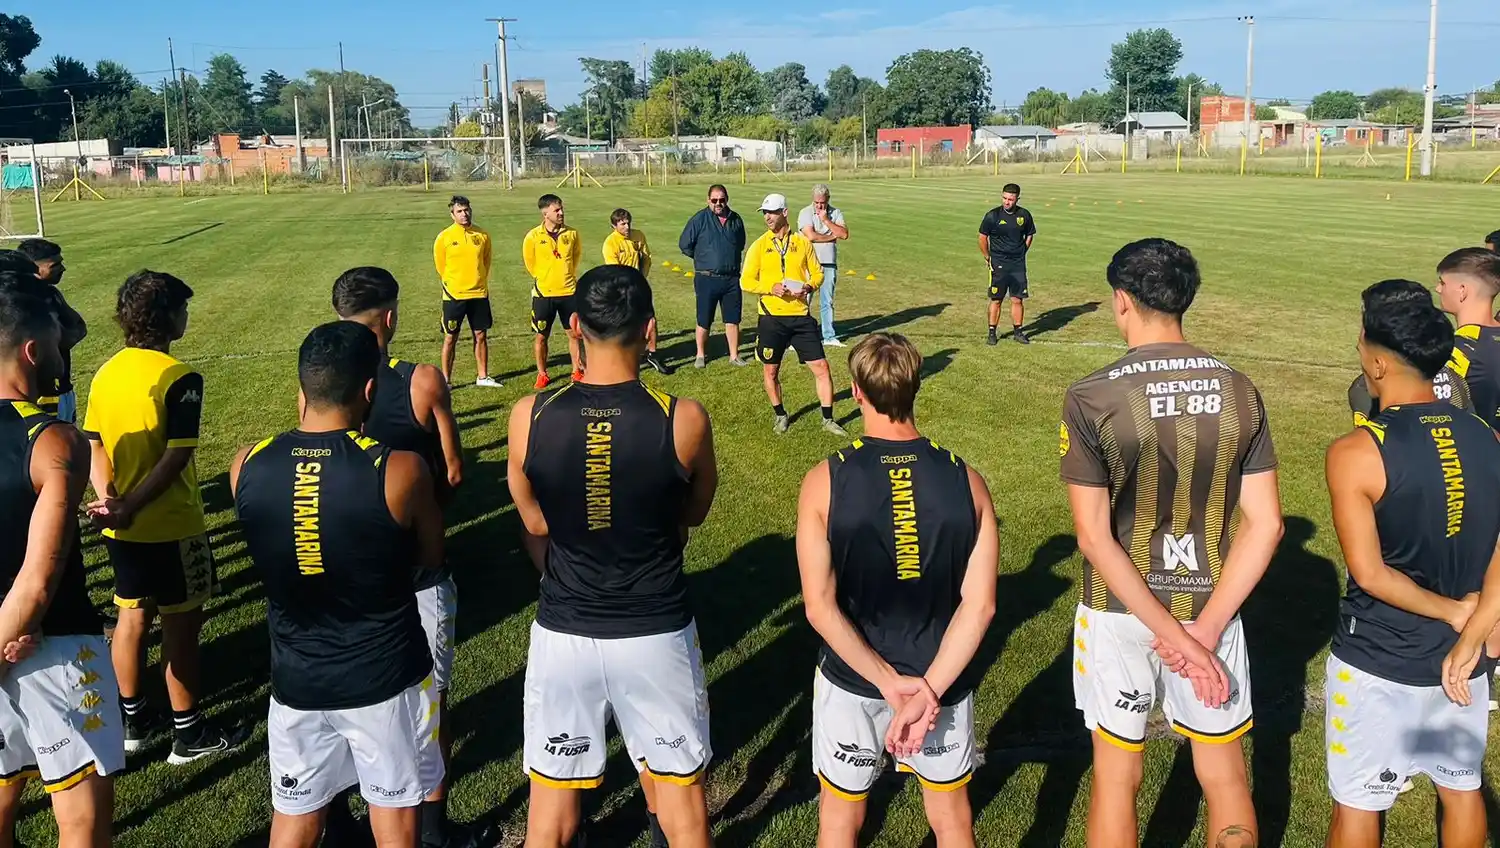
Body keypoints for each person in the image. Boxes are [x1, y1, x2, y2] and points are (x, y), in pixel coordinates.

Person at [1060, 238, 1283, 847]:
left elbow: (1093, 536)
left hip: (1118, 611)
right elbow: (1266, 524)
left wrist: (1173, 634)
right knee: (1225, 775)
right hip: (1212, 609)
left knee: (1115, 775)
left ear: (1122, 301)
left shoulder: (1092, 395)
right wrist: (1202, 632)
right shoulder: (1240, 390)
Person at [506, 265, 718, 848]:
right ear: (651, 331)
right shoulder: (684, 418)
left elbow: (533, 521)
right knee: (683, 812)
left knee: (548, 821)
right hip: (655, 631)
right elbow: (694, 512)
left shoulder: (531, 415)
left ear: (574, 326)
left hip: (564, 633)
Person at [231, 322, 444, 848]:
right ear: (370, 391)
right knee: (394, 818)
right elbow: (431, 558)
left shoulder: (246, 463)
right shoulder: (400, 469)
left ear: (301, 391)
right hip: (383, 675)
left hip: (296, 678)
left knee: (296, 818)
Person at [796, 332, 997, 847]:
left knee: (840, 823)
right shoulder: (967, 480)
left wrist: (890, 684)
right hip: (941, 681)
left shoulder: (825, 479)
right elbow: (980, 605)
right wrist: (927, 689)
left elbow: (819, 608)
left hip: (854, 680)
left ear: (856, 392)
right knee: (952, 821)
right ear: (916, 387)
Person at [1323, 279, 1500, 848]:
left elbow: (1371, 574)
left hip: (1379, 656)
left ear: (1376, 361)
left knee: (1359, 802)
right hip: (1462, 662)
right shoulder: (1487, 435)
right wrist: (1474, 629)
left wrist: (1454, 614)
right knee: (1460, 789)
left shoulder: (1356, 452)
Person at [82, 270, 244, 763]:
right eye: (183, 309)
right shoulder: (179, 379)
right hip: (173, 525)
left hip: (122, 528)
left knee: (131, 617)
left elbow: (94, 444)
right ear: (168, 317)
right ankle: (188, 734)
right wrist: (130, 504)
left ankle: (133, 722)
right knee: (180, 629)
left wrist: (111, 500)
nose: (187, 316)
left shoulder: (106, 372)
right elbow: (176, 456)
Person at [331, 267, 462, 847]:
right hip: (415, 568)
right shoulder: (422, 380)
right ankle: (431, 828)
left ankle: (336, 817)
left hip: (345, 566)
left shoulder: (317, 382)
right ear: (390, 318)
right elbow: (454, 471)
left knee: (343, 698)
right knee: (427, 702)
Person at [0, 276, 122, 847]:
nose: (61, 353)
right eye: (55, 343)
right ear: (31, 351)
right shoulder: (55, 441)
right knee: (82, 824)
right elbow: (38, 581)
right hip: (55, 651)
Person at [741, 193, 846, 437]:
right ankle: (780, 414)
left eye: (773, 212)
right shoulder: (758, 246)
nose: (768, 217)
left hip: (800, 317)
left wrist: (809, 286)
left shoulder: (802, 243)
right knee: (771, 371)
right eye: (765, 213)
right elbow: (745, 281)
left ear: (784, 212)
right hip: (771, 318)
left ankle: (828, 419)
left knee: (821, 367)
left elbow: (818, 273)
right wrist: (770, 288)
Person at [678, 185, 748, 368]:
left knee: (733, 319)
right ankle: (700, 355)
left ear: (727, 199)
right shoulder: (699, 219)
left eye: (722, 200)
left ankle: (734, 355)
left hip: (731, 278)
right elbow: (684, 244)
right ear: (708, 200)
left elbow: (740, 243)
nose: (719, 203)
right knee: (704, 319)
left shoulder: (735, 219)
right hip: (706, 278)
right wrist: (702, 257)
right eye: (715, 200)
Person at [15, 240, 85, 424]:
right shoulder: (20, 301)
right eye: (55, 265)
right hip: (41, 395)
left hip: (63, 389)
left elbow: (80, 325)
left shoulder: (52, 294)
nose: (63, 269)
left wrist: (60, 338)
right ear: (34, 268)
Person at [433, 195, 499, 389]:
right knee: (450, 337)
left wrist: (479, 282)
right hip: (455, 296)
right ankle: (445, 380)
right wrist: (454, 284)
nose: (465, 214)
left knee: (480, 335)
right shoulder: (444, 237)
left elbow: (486, 262)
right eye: (460, 211)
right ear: (452, 214)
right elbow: (441, 266)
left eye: (467, 210)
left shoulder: (482, 235)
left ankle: (483, 376)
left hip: (478, 294)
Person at [522, 193, 584, 389]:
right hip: (544, 295)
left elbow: (574, 259)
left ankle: (577, 371)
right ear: (545, 213)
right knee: (541, 336)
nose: (561, 213)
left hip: (569, 293)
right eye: (557, 210)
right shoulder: (533, 236)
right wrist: (545, 278)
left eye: (561, 209)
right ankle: (542, 374)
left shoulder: (572, 234)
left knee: (574, 334)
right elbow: (530, 263)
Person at [603, 208, 671, 375]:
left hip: (639, 286)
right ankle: (624, 357)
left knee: (651, 321)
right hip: (621, 291)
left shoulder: (638, 235)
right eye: (622, 224)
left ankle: (653, 354)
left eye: (628, 223)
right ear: (614, 226)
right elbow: (615, 271)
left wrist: (642, 278)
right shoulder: (610, 244)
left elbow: (647, 259)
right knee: (624, 325)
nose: (627, 227)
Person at [1437, 247, 1500, 428]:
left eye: (1443, 283)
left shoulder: (1457, 349)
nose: (1438, 288)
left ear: (1462, 291)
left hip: (1476, 452)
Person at [977, 183, 1037, 346]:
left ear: (1017, 198)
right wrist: (988, 257)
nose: (1007, 202)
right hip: (998, 263)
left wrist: (1023, 250)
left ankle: (1018, 332)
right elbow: (982, 237)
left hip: (1017, 264)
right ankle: (992, 332)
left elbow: (1030, 234)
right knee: (996, 299)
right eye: (1004, 198)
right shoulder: (992, 216)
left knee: (1017, 299)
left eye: (1010, 199)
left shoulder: (1024, 215)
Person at [797, 185, 850, 347]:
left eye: (822, 202)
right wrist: (830, 236)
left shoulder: (835, 213)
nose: (819, 206)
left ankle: (829, 336)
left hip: (829, 262)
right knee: (803, 300)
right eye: (816, 202)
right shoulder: (805, 213)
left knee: (827, 301)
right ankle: (799, 337)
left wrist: (826, 220)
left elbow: (844, 234)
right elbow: (811, 236)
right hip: (809, 263)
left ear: (828, 200)